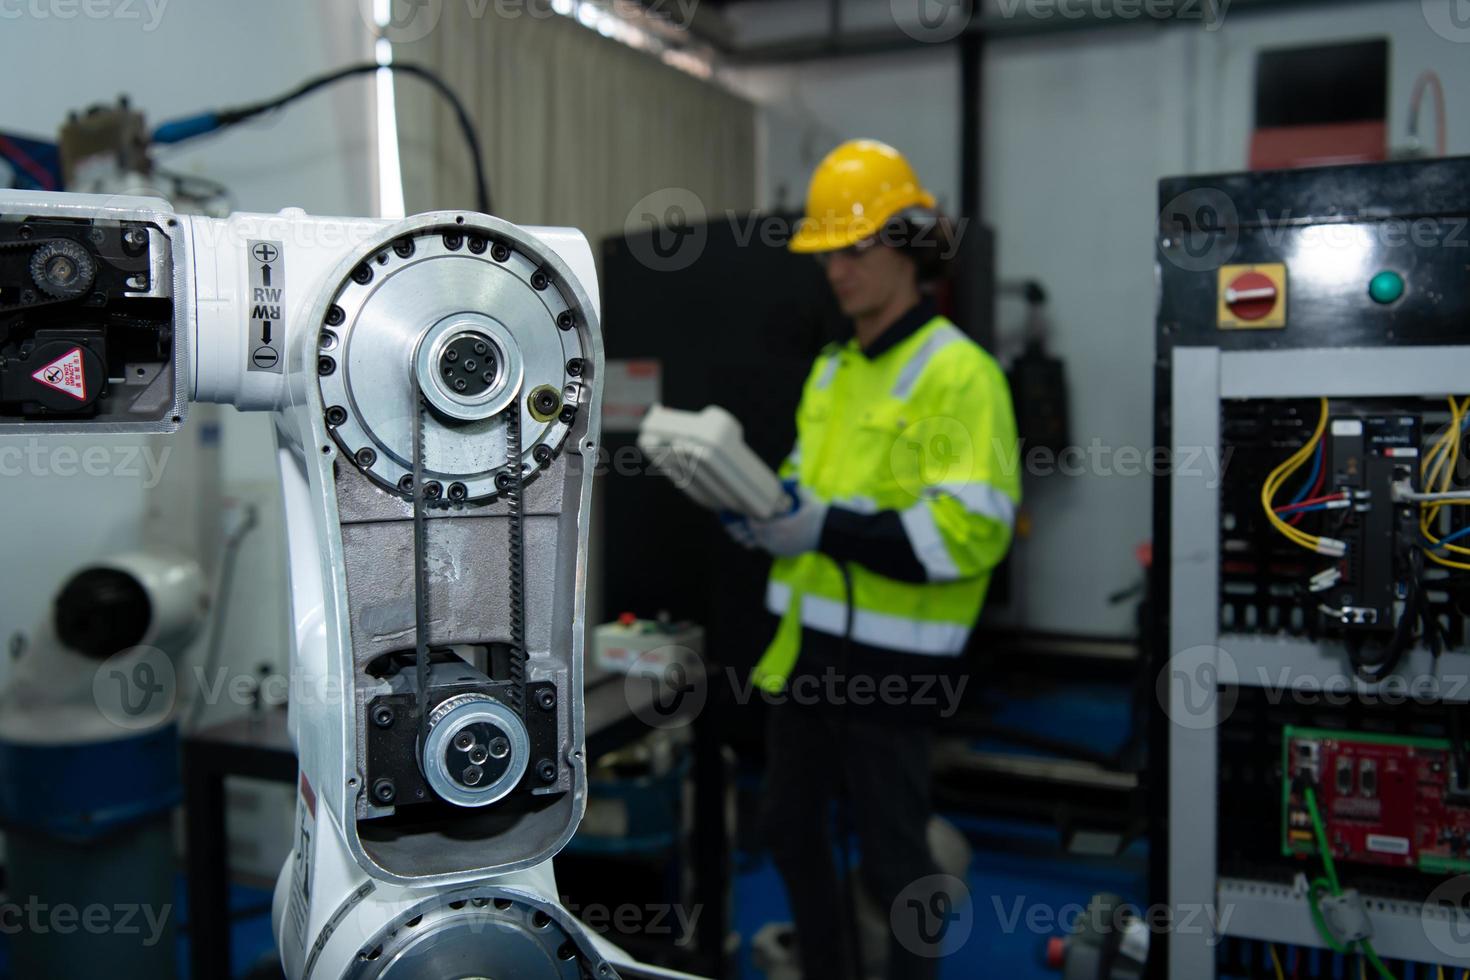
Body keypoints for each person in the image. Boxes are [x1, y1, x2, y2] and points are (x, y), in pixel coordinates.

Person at [724, 139, 1021, 980]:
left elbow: (968, 533)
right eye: (829, 254)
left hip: (896, 665)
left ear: (909, 246)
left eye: (855, 249)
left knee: (895, 860)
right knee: (787, 829)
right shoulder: (832, 370)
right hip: (808, 652)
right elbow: (801, 485)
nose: (838, 271)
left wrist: (821, 529)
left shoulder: (962, 375)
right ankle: (828, 967)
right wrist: (758, 508)